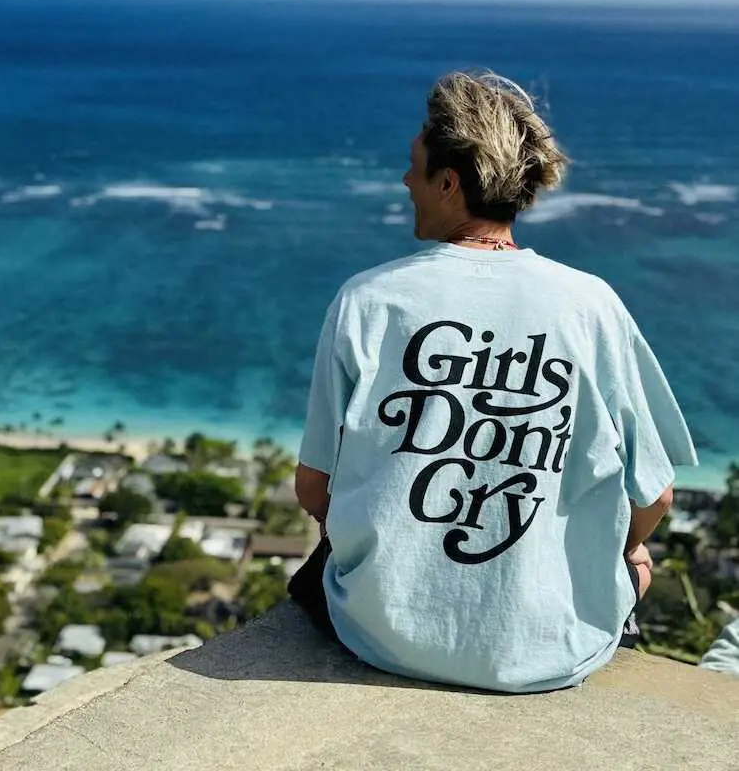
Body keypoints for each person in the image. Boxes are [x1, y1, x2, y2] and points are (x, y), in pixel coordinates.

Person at [291, 70, 696, 693]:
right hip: (542, 654)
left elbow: (314, 487)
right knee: (631, 563)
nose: (405, 181)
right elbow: (657, 496)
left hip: (380, 633)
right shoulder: (590, 305)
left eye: (414, 168)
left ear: (448, 183)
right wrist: (625, 550)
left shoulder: (368, 299)